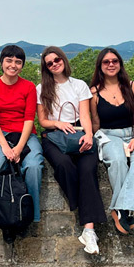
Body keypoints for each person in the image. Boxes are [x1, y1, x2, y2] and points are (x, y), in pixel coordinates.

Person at [37, 46, 107, 255]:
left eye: (57, 59)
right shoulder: (41, 89)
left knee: (87, 171)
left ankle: (89, 230)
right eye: (49, 63)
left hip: (78, 133)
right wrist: (58, 123)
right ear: (46, 68)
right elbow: (42, 120)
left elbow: (85, 114)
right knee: (64, 165)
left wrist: (88, 134)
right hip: (55, 135)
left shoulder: (79, 85)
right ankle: (86, 207)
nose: (54, 64)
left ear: (64, 60)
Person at [89, 48, 134, 235]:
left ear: (120, 64)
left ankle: (119, 208)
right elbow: (94, 123)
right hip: (108, 135)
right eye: (106, 62)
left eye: (114, 61)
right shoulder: (93, 93)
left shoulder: (132, 86)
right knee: (117, 161)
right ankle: (124, 210)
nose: (111, 64)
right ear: (100, 66)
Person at [0, 44, 46, 224]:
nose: (13, 65)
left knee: (34, 166)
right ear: (2, 62)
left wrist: (18, 149)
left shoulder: (28, 87)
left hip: (25, 135)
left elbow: (29, 119)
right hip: (0, 134)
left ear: (22, 65)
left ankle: (31, 215)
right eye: (9, 60)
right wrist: (4, 146)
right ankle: (0, 210)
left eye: (18, 62)